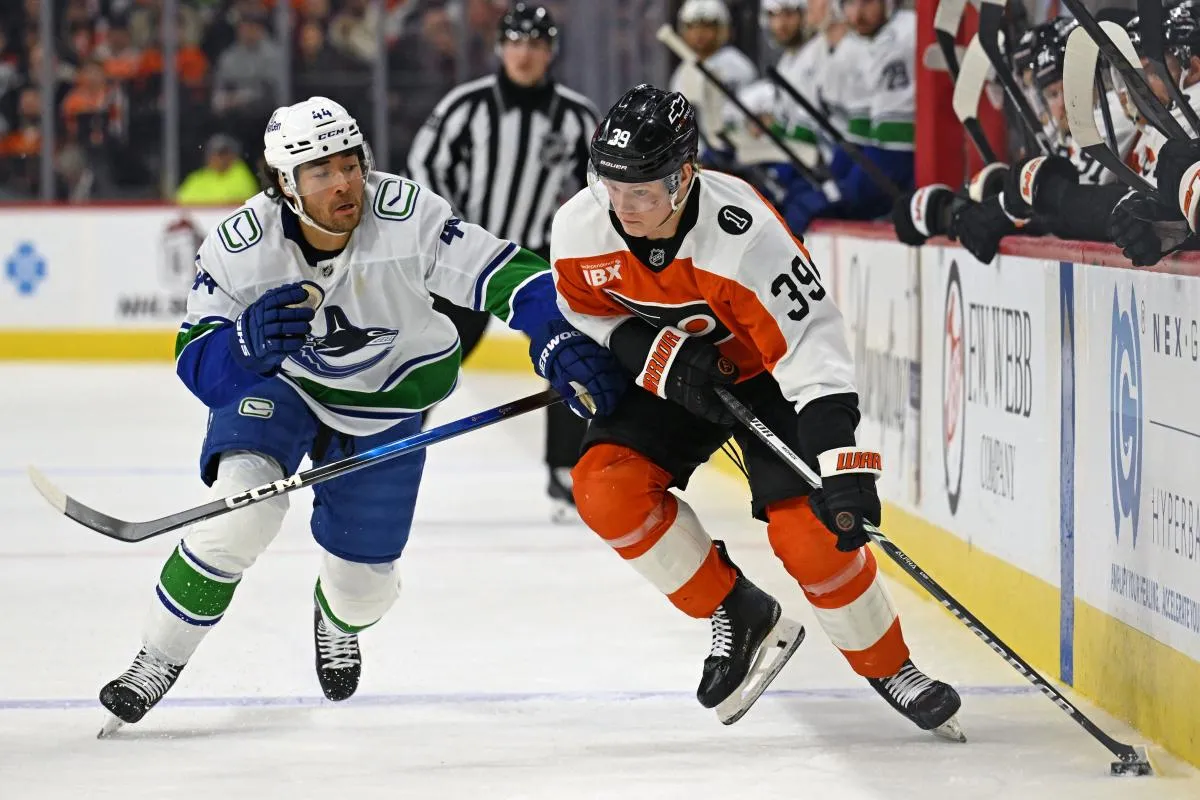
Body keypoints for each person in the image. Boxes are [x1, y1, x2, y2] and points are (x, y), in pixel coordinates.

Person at [96, 96, 625, 734]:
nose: (344, 182)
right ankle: (156, 659)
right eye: (320, 172)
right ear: (284, 184)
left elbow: (507, 274)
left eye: (350, 162)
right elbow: (195, 360)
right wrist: (242, 347)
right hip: (284, 389)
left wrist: (557, 335)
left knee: (364, 588)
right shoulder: (242, 245)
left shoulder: (406, 216)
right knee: (243, 513)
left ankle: (335, 617)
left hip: (390, 398)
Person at [551, 84, 963, 735]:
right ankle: (738, 611)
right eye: (613, 188)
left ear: (684, 177)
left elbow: (812, 349)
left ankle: (891, 666)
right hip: (676, 378)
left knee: (812, 538)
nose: (624, 209)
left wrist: (841, 461)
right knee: (604, 489)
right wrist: (649, 351)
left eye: (644, 193)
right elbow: (583, 307)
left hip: (768, 378)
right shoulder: (580, 225)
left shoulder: (744, 237)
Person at [407, 3, 600, 521]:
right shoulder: (465, 106)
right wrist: (453, 233)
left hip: (536, 264)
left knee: (571, 353)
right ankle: (392, 456)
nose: (525, 53)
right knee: (431, 360)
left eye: (536, 43)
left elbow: (600, 192)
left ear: (550, 51)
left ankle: (566, 471)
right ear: (499, 47)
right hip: (467, 261)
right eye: (516, 41)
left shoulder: (577, 115)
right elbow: (427, 165)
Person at [175, 133, 260, 205]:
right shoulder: (197, 178)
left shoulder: (241, 173)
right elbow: (181, 200)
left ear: (233, 155)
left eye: (224, 153)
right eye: (216, 153)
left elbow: (240, 198)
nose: (220, 158)